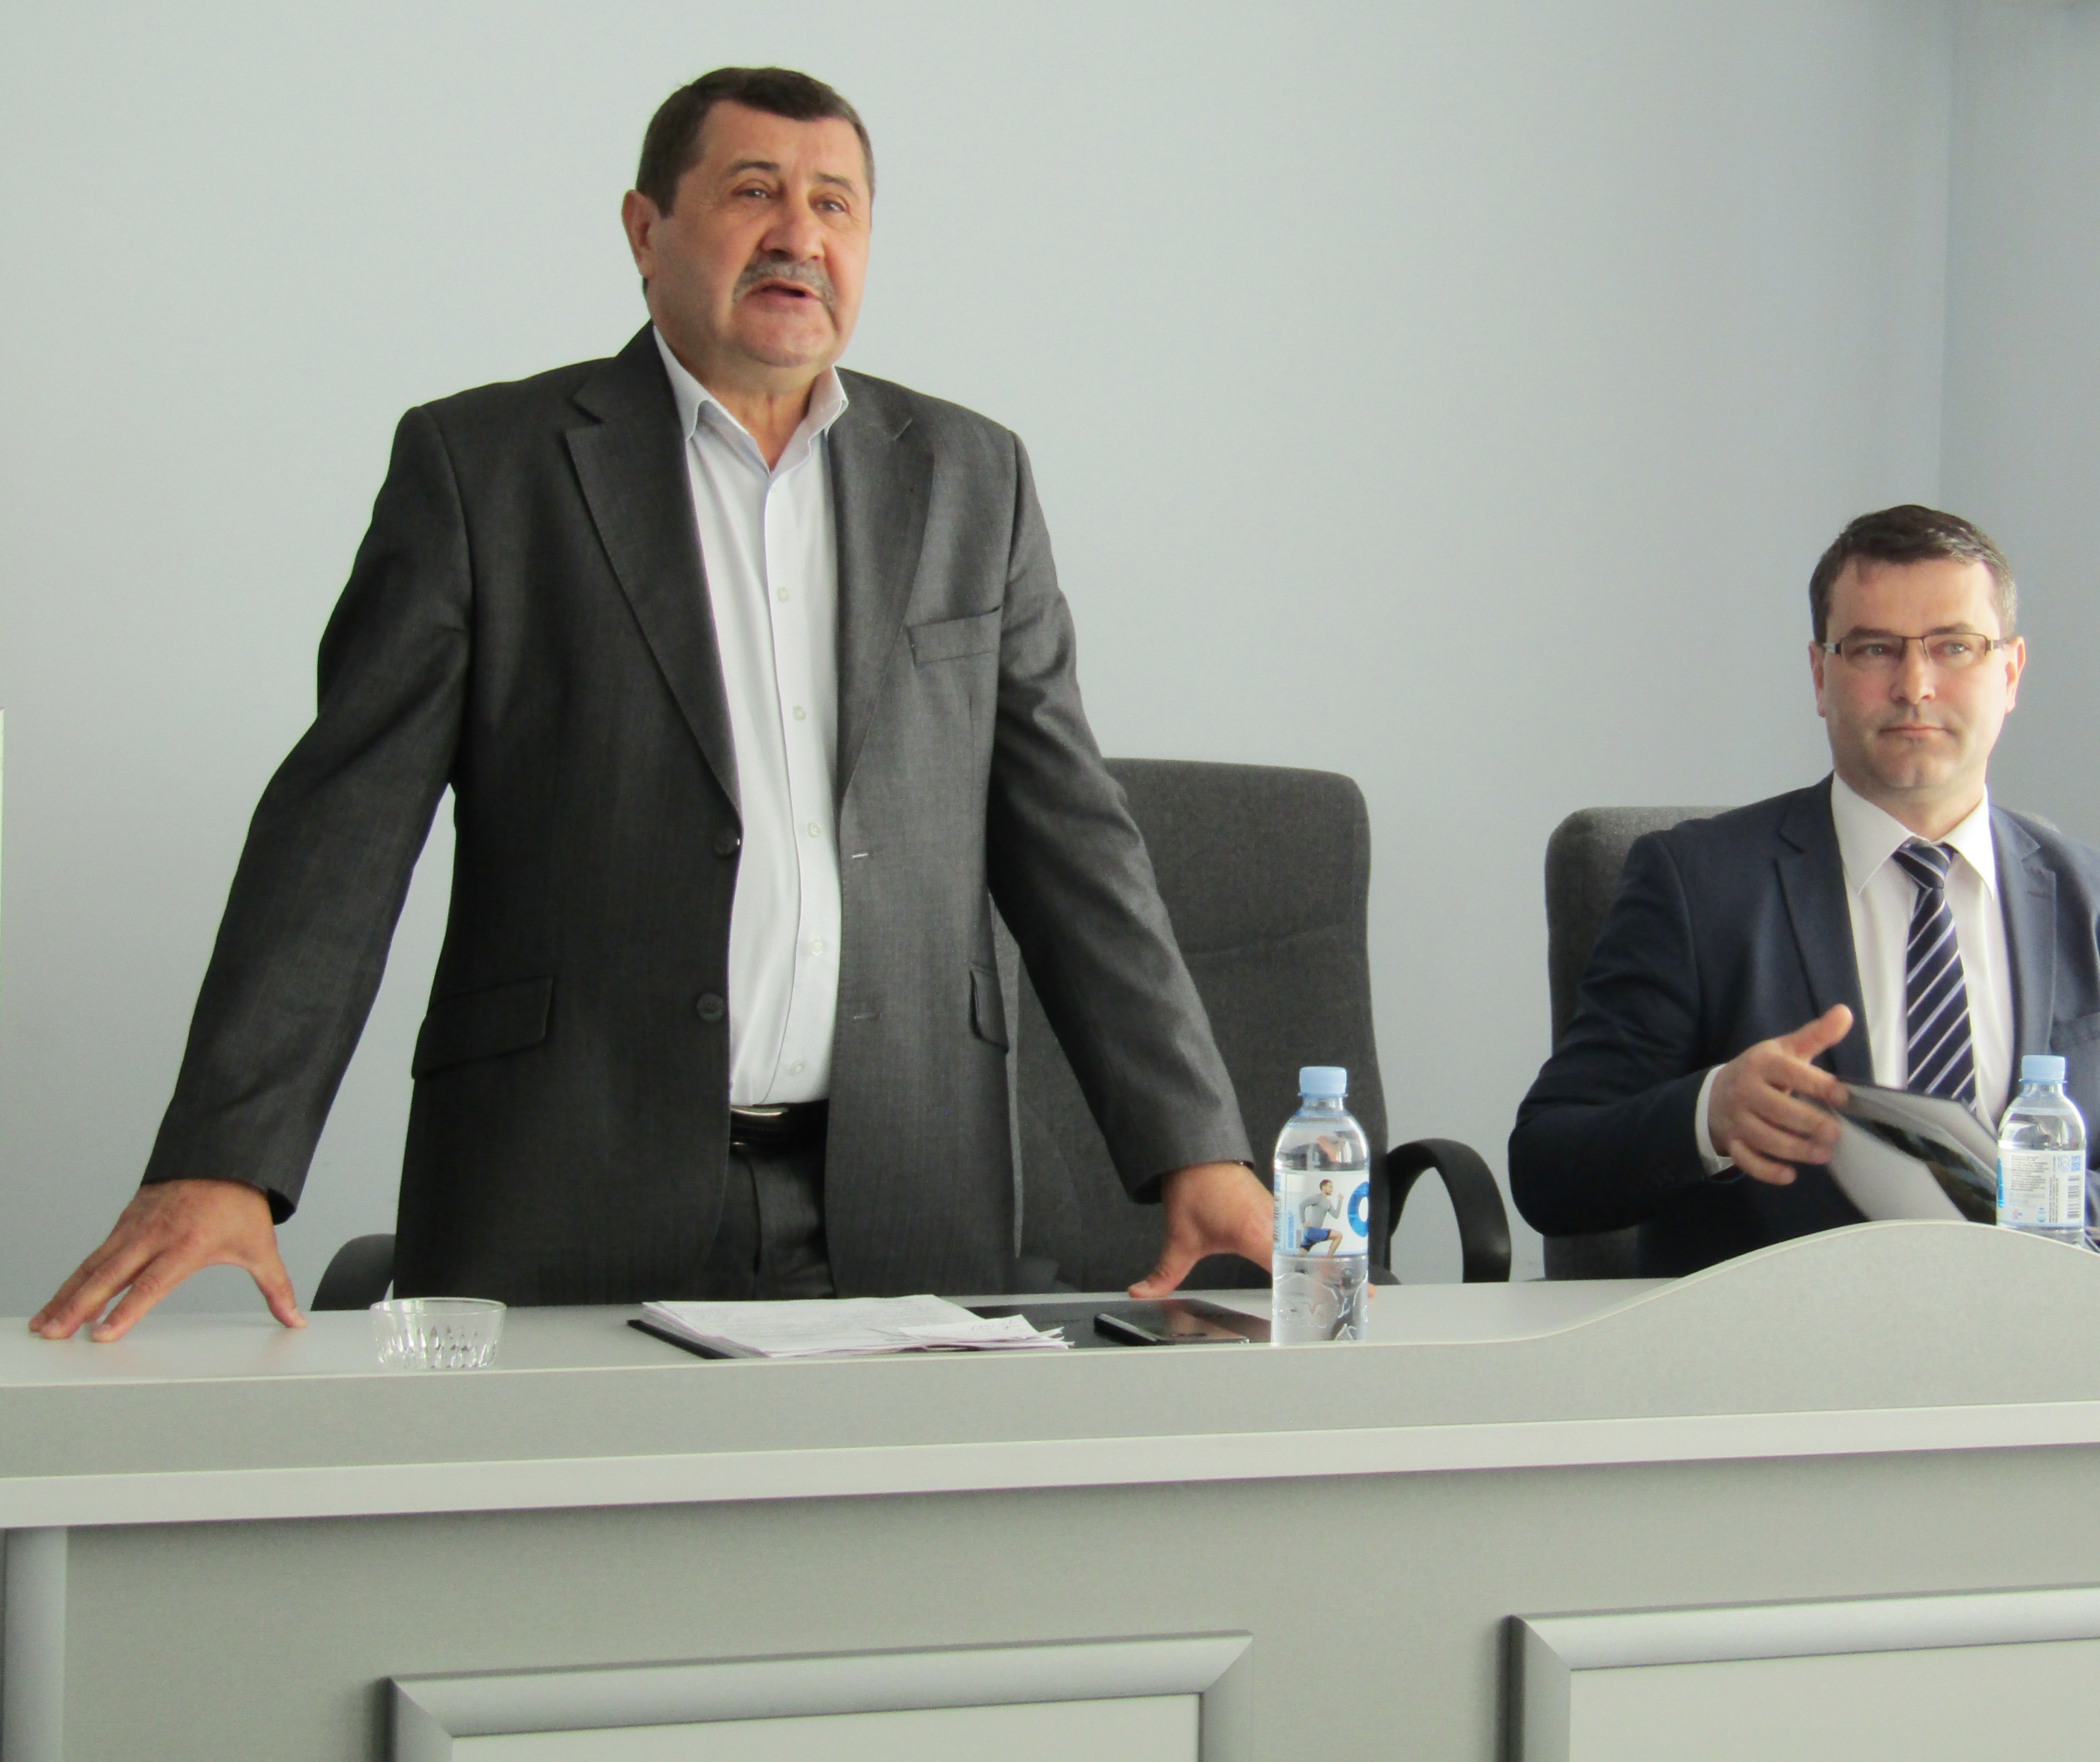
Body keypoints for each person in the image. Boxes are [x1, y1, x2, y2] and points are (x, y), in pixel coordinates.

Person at [35, 67, 1270, 1341]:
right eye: (754, 192)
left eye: (836, 205)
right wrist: (228, 1156)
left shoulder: (972, 478)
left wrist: (1194, 1144)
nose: (800, 235)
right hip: (564, 1180)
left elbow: (1070, 837)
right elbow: (341, 833)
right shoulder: (484, 470)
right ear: (645, 230)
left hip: (909, 1190)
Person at [1510, 505, 2100, 1277]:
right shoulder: (1697, 885)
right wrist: (1708, 1113)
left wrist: (2030, 1212)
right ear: (1821, 675)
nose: (1915, 686)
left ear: (2010, 673)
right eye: (1876, 648)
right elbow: (1549, 1166)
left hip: (2037, 1332)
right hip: (1782, 1338)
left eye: (1954, 646)